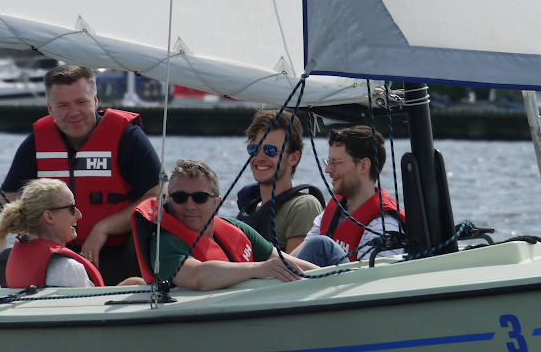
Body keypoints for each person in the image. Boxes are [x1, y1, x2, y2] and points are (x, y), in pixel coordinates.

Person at [1, 65, 161, 285]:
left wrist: (104, 227)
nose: (73, 112)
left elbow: (157, 196)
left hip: (117, 252)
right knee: (1, 261)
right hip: (55, 253)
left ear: (95, 101)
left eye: (81, 102)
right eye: (63, 105)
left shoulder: (128, 138)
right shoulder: (36, 143)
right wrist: (34, 227)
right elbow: (8, 197)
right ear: (50, 108)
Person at [132, 159, 319, 290]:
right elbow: (198, 277)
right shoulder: (165, 242)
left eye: (200, 198)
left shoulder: (236, 228)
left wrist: (331, 276)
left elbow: (285, 260)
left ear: (217, 204)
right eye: (180, 197)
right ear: (169, 201)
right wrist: (260, 268)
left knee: (320, 246)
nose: (190, 206)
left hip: (249, 307)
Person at [0, 179, 144, 288]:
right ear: (49, 217)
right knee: (138, 284)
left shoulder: (10, 260)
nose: (78, 215)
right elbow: (92, 315)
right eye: (71, 208)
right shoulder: (69, 269)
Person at [294, 126, 405, 264]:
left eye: (335, 162)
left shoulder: (383, 227)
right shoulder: (331, 213)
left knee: (321, 245)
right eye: (328, 162)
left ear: (363, 166)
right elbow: (295, 259)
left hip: (351, 285)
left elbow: (370, 283)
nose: (328, 169)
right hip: (322, 283)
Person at [235, 110, 324, 252]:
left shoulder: (302, 206)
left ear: (293, 158)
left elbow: (296, 271)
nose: (260, 157)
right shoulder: (249, 207)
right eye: (254, 149)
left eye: (270, 150)